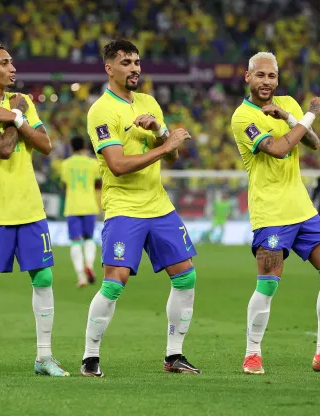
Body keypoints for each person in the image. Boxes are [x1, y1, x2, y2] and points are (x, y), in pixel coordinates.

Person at [231, 51, 320, 376]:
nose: (266, 81)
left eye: (272, 76)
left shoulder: (286, 102)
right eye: (260, 75)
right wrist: (310, 113)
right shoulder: (242, 117)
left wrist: (290, 117)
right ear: (248, 77)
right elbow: (279, 148)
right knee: (269, 283)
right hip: (270, 212)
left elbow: (311, 142)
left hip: (302, 209)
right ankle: (252, 354)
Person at [81, 39, 200, 377]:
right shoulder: (102, 110)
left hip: (158, 205)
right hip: (123, 207)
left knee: (186, 276)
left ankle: (174, 355)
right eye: (126, 62)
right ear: (109, 68)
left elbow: (173, 154)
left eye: (137, 61)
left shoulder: (148, 102)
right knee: (114, 282)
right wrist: (165, 147)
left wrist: (162, 132)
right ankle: (90, 357)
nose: (134, 68)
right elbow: (117, 165)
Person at [0, 43, 69, 379]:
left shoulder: (22, 104)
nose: (13, 68)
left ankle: (44, 357)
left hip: (30, 207)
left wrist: (17, 116)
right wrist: (15, 121)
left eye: (12, 62)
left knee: (45, 277)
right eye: (4, 63)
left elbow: (46, 145)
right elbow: (5, 149)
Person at [60, 136, 101, 288]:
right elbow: (98, 184)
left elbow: (64, 186)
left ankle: (81, 277)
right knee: (89, 239)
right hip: (89, 206)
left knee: (75, 241)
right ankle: (89, 264)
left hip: (73, 206)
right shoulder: (92, 163)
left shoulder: (65, 164)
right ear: (84, 147)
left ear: (71, 147)